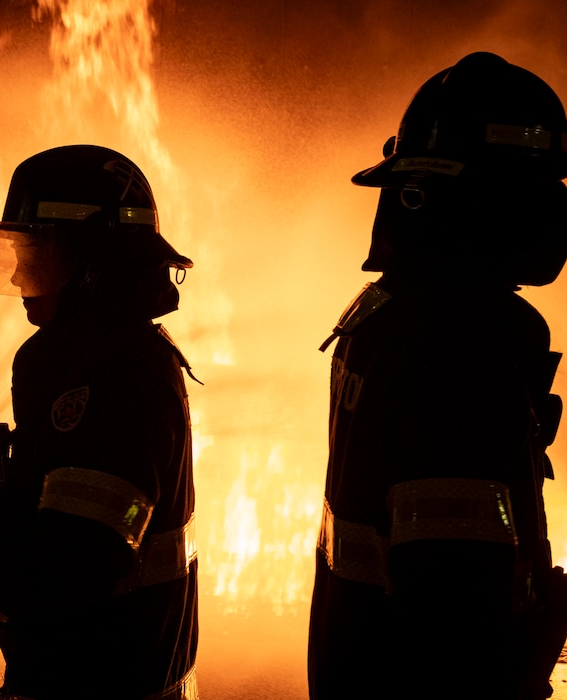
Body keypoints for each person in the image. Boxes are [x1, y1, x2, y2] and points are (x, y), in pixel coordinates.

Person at [0, 145, 200, 699]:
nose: (16, 271)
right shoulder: (94, 359)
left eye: (34, 252)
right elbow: (52, 502)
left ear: (90, 263)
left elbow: (77, 558)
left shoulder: (118, 374)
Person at [308, 52, 567, 700]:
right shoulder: (458, 341)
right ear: (489, 203)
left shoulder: (388, 314)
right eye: (540, 192)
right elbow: (452, 593)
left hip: (363, 664)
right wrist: (525, 658)